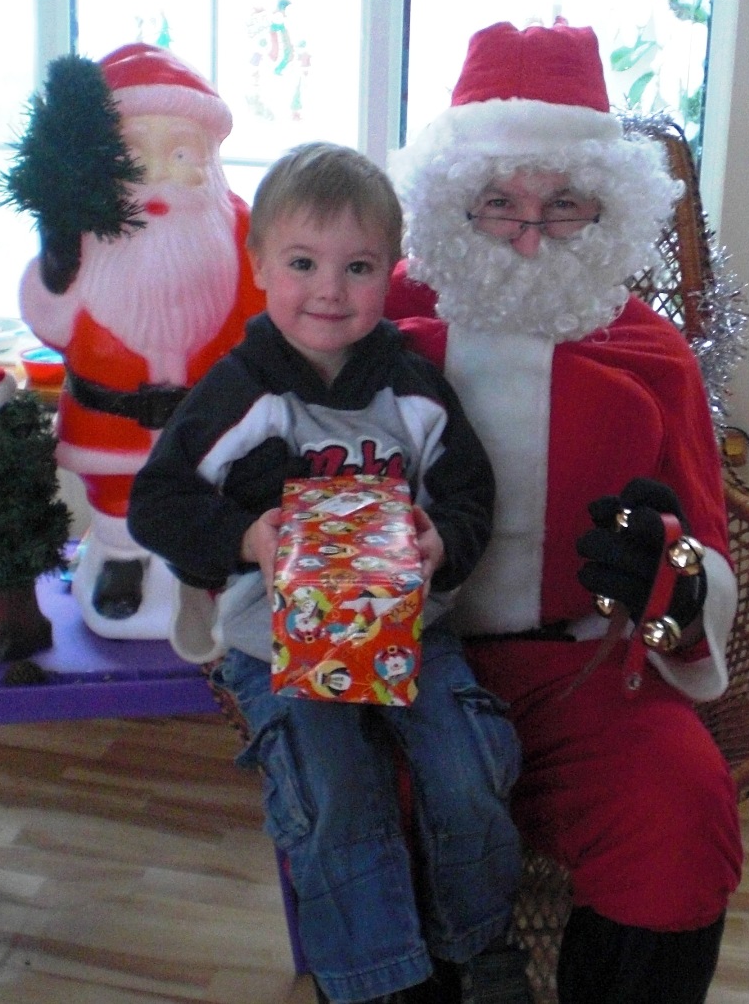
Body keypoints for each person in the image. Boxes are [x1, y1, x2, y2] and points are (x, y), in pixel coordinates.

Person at [386, 20, 744, 1004]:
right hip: (412, 665)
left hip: (587, 672)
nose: (530, 233)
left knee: (681, 811)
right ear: (452, 202)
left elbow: (703, 546)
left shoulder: (652, 353)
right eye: (499, 202)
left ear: (609, 209)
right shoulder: (377, 324)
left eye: (565, 206)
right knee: (362, 811)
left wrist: (672, 586)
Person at [126, 142, 524, 1004]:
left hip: (412, 630)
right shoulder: (240, 392)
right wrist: (246, 538)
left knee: (470, 768)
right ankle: (378, 978)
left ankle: (478, 946)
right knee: (334, 790)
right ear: (259, 264)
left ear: (391, 272)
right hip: (277, 643)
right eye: (303, 263)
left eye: (359, 267)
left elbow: (470, 493)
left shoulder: (415, 389)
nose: (330, 291)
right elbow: (156, 503)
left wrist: (441, 543)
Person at [18, 43, 265, 639]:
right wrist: (57, 261)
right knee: (117, 493)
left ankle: (203, 571)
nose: (156, 177)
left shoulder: (239, 230)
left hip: (214, 418)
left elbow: (268, 304)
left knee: (214, 493)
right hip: (113, 420)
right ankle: (122, 558)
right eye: (132, 157)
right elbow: (51, 320)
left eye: (180, 154)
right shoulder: (83, 234)